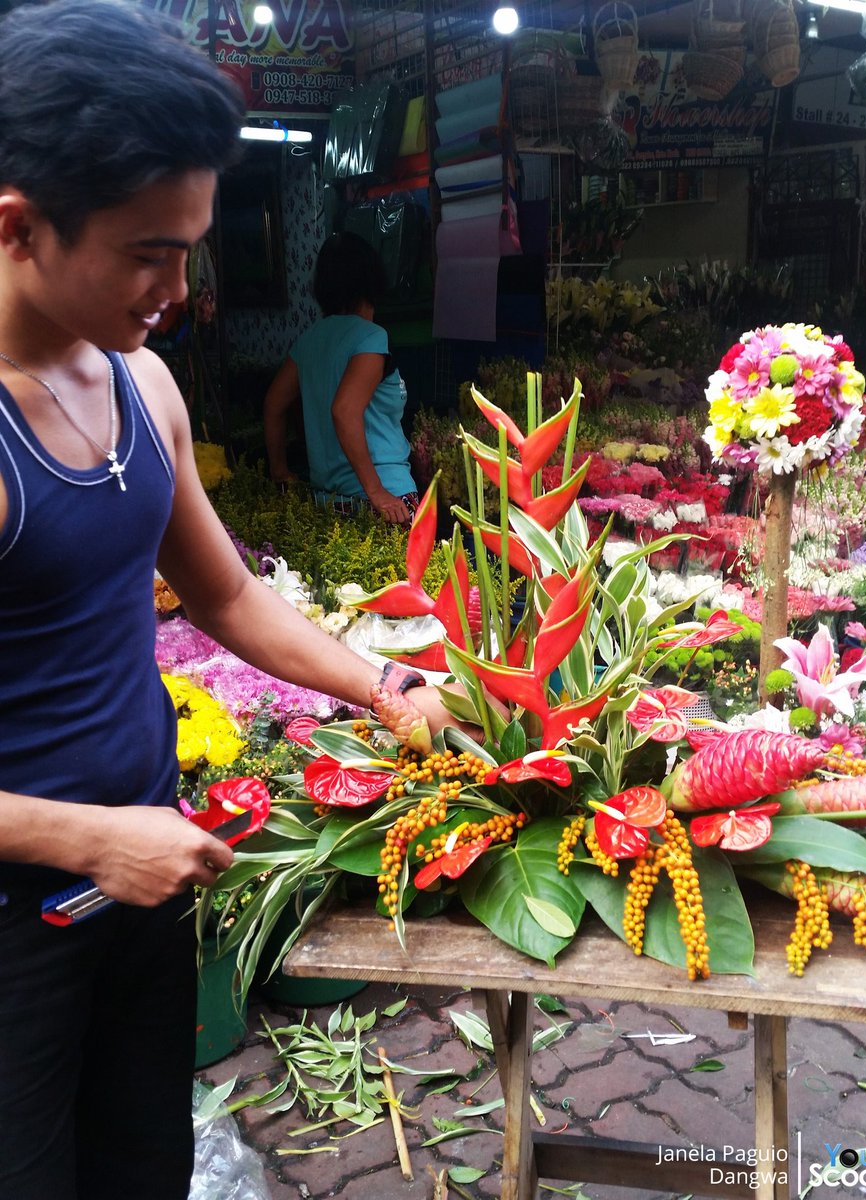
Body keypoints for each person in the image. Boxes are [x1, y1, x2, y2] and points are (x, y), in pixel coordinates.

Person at [0, 4, 452, 1198]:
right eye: (149, 251)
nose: (180, 288)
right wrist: (87, 838)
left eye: (190, 248)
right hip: (19, 920)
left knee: (142, 1163)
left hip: (141, 874)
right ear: (19, 226)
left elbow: (228, 600)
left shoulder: (142, 385)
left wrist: (385, 684)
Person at [263, 231, 418, 523]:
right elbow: (344, 411)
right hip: (386, 501)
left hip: (328, 502)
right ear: (372, 282)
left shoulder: (308, 341)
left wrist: (280, 472)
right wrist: (377, 492)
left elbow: (273, 404)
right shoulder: (372, 338)